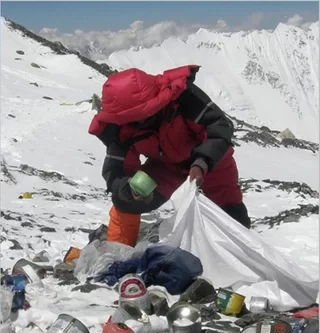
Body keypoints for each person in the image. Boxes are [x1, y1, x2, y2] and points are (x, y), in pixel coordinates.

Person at [88, 65, 251, 247]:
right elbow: (116, 171)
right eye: (134, 118)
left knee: (231, 215)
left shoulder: (182, 98)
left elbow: (218, 129)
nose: (140, 122)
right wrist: (129, 191)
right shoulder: (122, 128)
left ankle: (239, 256)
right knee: (124, 202)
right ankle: (118, 253)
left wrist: (202, 163)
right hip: (165, 167)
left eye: (144, 114)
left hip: (210, 161)